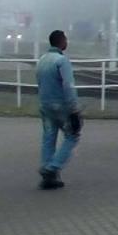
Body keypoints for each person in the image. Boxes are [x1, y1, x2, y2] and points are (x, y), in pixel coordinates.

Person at [36, 30, 82, 190]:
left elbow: (40, 84)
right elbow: (68, 86)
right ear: (61, 42)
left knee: (48, 138)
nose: (67, 42)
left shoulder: (41, 60)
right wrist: (74, 109)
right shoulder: (62, 61)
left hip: (45, 105)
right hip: (61, 107)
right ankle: (52, 168)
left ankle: (47, 172)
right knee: (72, 136)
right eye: (66, 39)